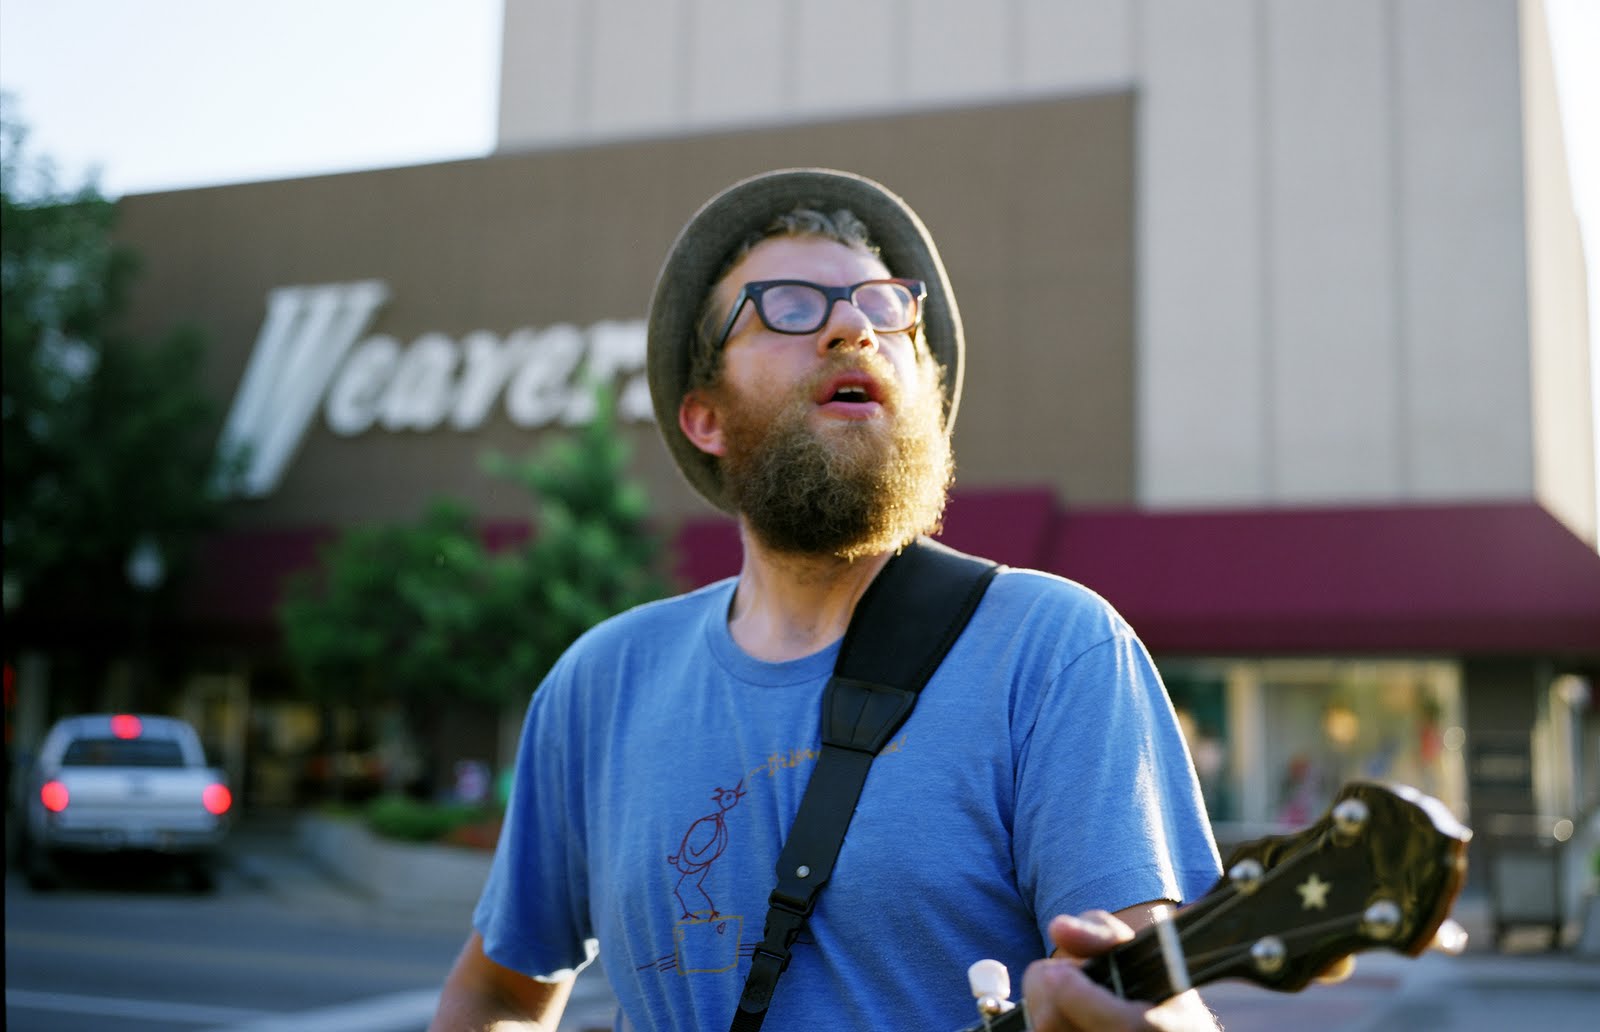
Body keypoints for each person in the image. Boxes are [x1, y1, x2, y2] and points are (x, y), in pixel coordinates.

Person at [430, 168, 1224, 1032]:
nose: (853, 327)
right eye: (790, 306)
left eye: (887, 310)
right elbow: (497, 994)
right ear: (706, 418)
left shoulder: (1056, 652)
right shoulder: (600, 683)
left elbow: (1159, 996)